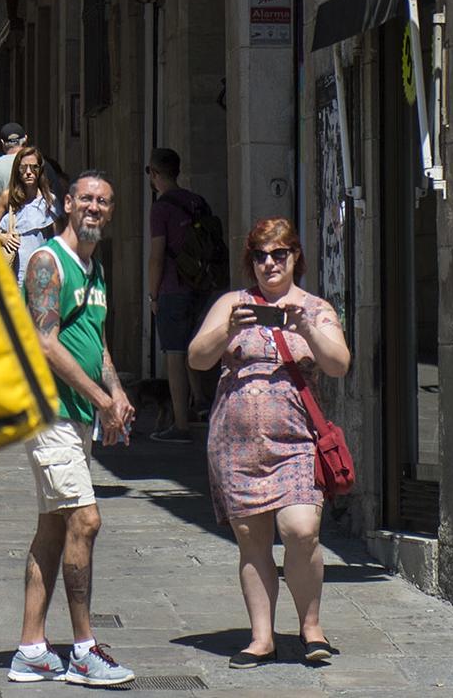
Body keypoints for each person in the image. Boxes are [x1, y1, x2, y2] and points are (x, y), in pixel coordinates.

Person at [188, 218, 350, 668]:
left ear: (295, 256)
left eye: (279, 254)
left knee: (301, 530)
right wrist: (227, 330)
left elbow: (339, 364)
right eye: (260, 255)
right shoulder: (232, 304)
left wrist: (307, 329)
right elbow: (197, 358)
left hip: (296, 441)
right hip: (236, 444)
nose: (269, 263)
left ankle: (310, 625)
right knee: (251, 540)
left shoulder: (315, 308)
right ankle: (261, 638)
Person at [8, 172, 135, 689]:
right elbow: (44, 342)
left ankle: (31, 649)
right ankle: (83, 650)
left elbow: (93, 338)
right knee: (86, 520)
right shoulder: (47, 262)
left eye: (104, 201)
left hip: (76, 416)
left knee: (54, 528)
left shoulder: (95, 268)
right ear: (66, 204)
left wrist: (118, 389)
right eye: (85, 199)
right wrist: (101, 399)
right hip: (50, 413)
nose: (94, 208)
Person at [147, 148, 214, 442]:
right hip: (201, 285)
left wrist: (153, 294)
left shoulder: (161, 207)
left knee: (174, 353)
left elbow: (157, 256)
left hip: (173, 287)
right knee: (193, 345)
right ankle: (200, 401)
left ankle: (180, 424)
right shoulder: (197, 201)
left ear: (155, 174)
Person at [0, 145, 60, 283]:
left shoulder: (49, 200)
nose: (28, 172)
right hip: (13, 276)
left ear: (40, 170)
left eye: (33, 167)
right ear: (17, 170)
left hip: (42, 276)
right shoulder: (7, 198)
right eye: (23, 168)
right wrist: (2, 237)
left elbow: (59, 240)